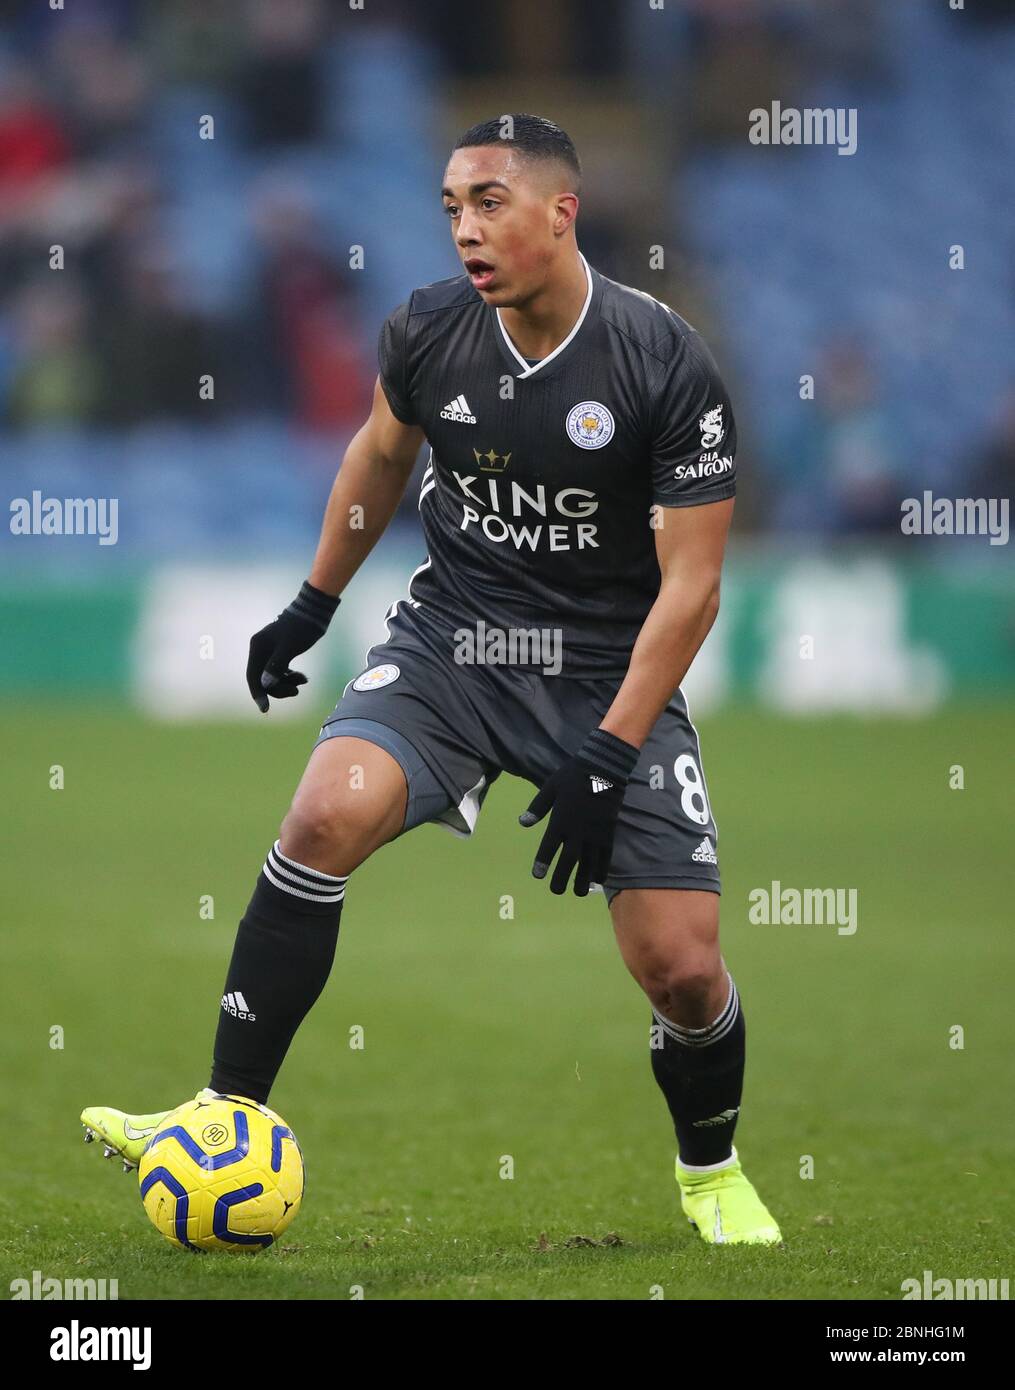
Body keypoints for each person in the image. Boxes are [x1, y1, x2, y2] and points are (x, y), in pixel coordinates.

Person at [82, 114, 780, 1246]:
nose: (465, 226)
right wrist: (313, 600)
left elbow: (691, 587)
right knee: (322, 814)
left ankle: (710, 1170)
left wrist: (611, 749)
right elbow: (378, 455)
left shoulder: (664, 361)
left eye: (489, 201)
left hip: (603, 671)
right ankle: (224, 1111)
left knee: (681, 969)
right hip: (453, 643)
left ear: (563, 209)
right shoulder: (426, 330)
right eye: (451, 205)